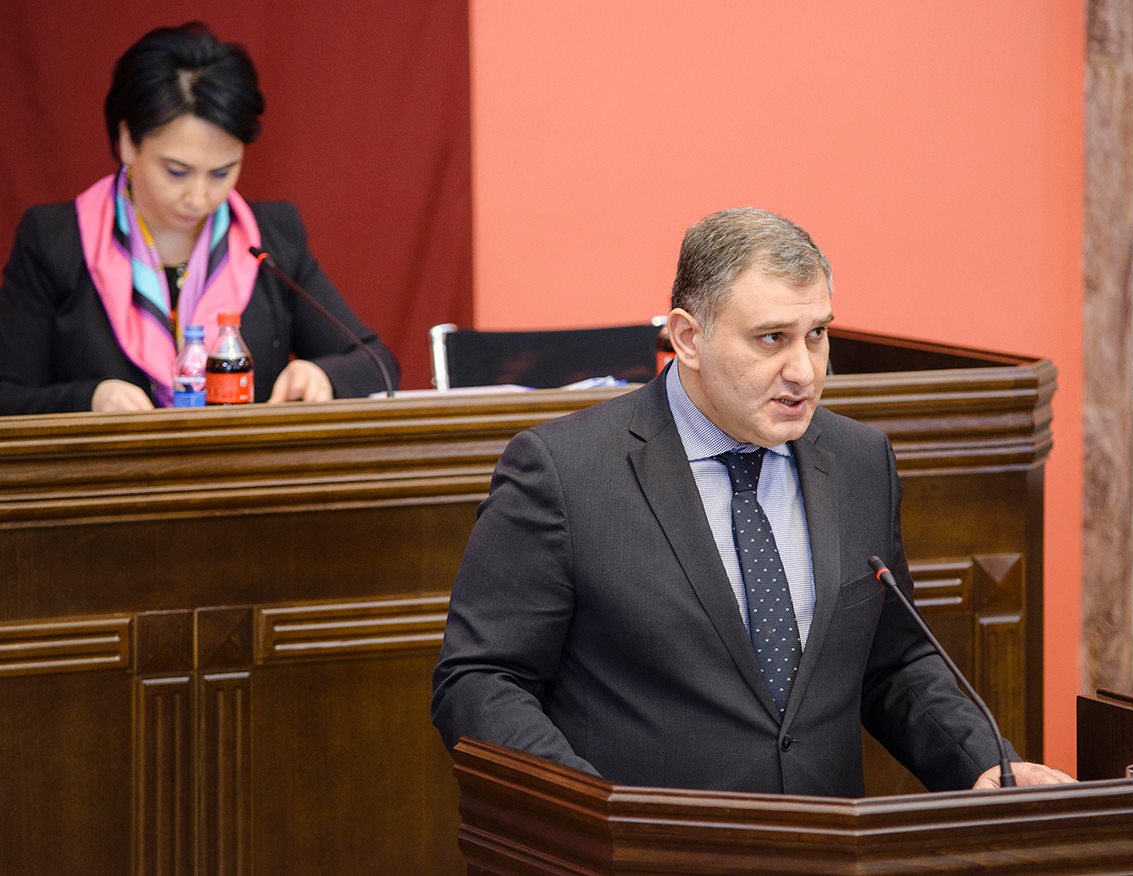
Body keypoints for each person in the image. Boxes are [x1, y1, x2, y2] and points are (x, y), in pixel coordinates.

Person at [432, 207, 1072, 796]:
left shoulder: (859, 461)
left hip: (827, 848)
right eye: (772, 338)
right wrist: (593, 814)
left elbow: (893, 661)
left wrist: (982, 763)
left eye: (816, 334)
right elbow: (481, 680)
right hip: (646, 852)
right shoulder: (566, 472)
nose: (804, 371)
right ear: (688, 338)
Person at [0, 22, 398, 415]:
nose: (199, 197)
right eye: (177, 172)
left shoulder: (269, 238)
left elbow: (376, 363)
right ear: (127, 141)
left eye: (222, 172)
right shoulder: (57, 240)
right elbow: (8, 394)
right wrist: (89, 400)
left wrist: (322, 376)